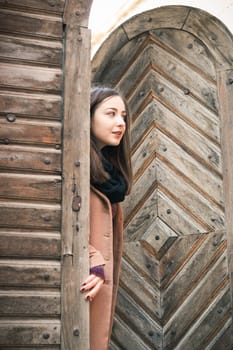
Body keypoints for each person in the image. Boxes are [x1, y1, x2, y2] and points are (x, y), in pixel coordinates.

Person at [80, 86, 133, 350]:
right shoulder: (74, 167)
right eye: (110, 114)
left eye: (123, 115)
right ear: (87, 117)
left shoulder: (110, 176)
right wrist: (93, 259)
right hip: (82, 281)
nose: (120, 122)